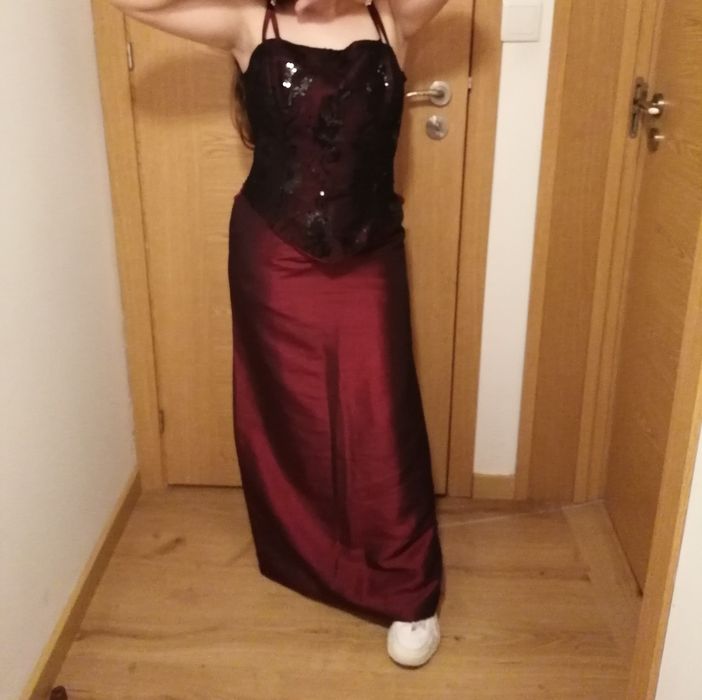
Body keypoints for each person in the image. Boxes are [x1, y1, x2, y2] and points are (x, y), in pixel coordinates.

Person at [108, 0, 451, 667]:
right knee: (290, 409)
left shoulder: (394, 18)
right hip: (274, 252)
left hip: (369, 251)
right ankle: (311, 554)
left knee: (381, 412)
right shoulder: (247, 23)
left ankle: (406, 584)